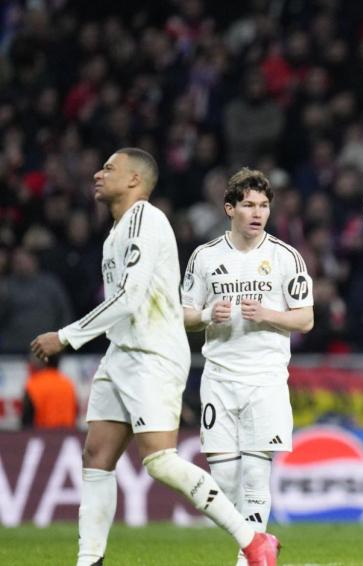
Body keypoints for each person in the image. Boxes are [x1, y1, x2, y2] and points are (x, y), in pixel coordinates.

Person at [29, 148, 278, 566]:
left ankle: (252, 540)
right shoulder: (116, 231)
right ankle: (89, 560)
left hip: (153, 354)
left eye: (109, 168)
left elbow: (130, 297)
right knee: (96, 456)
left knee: (160, 461)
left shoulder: (146, 219)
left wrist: (66, 336)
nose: (98, 174)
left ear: (134, 180)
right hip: (121, 352)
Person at [181, 168, 314, 566]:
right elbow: (183, 315)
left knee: (256, 476)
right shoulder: (205, 257)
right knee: (223, 480)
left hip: (266, 379)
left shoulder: (285, 257)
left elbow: (306, 318)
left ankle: (250, 559)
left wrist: (269, 314)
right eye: (249, 205)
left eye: (264, 206)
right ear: (230, 209)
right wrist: (207, 314)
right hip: (219, 378)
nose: (257, 213)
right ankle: (256, 542)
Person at [22, 353, 78, 429]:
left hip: (42, 433)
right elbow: (75, 411)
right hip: (67, 434)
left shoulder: (33, 384)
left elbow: (26, 419)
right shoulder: (68, 384)